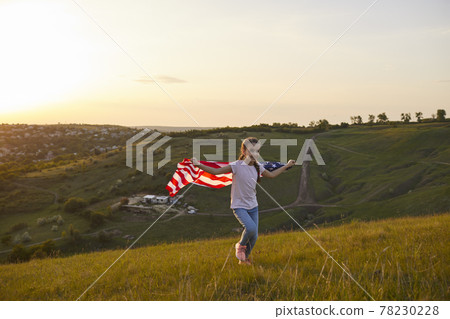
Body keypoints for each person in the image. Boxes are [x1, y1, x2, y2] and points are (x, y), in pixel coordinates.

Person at [192, 137, 296, 265]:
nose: (254, 154)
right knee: (251, 229)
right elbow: (216, 172)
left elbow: (272, 175)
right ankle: (240, 246)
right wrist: (198, 164)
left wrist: (287, 166)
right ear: (244, 151)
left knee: (254, 236)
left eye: (257, 151)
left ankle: (244, 260)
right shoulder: (236, 166)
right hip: (239, 206)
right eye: (251, 150)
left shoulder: (258, 166)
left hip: (253, 206)